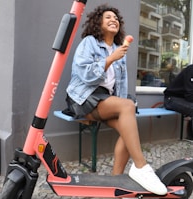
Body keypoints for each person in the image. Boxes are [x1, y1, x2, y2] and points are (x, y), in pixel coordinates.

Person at [65, 4, 167, 195]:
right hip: (84, 97)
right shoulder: (90, 42)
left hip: (105, 100)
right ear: (98, 22)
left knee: (127, 131)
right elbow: (85, 74)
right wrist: (110, 59)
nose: (114, 20)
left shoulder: (119, 49)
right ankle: (141, 167)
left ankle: (114, 184)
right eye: (108, 17)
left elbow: (119, 88)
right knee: (127, 106)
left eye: (116, 18)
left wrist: (123, 109)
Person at [164, 64, 193, 140]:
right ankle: (191, 137)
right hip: (171, 99)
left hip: (184, 100)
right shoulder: (191, 70)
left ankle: (190, 137)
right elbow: (190, 95)